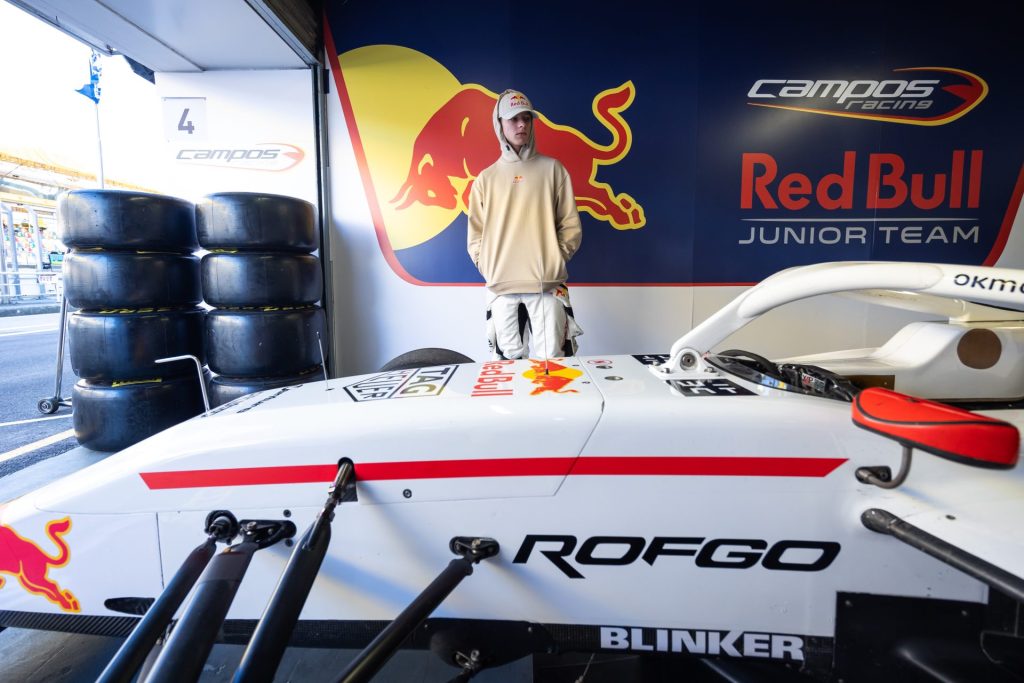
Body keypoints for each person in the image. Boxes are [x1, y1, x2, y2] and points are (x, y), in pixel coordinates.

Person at [467, 89, 583, 360]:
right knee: (507, 363)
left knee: (552, 363)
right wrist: (488, 265)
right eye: (513, 119)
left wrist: (555, 257)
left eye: (526, 118)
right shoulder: (486, 179)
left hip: (547, 284)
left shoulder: (554, 170)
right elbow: (476, 234)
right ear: (500, 125)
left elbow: (570, 225)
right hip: (501, 288)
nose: (521, 125)